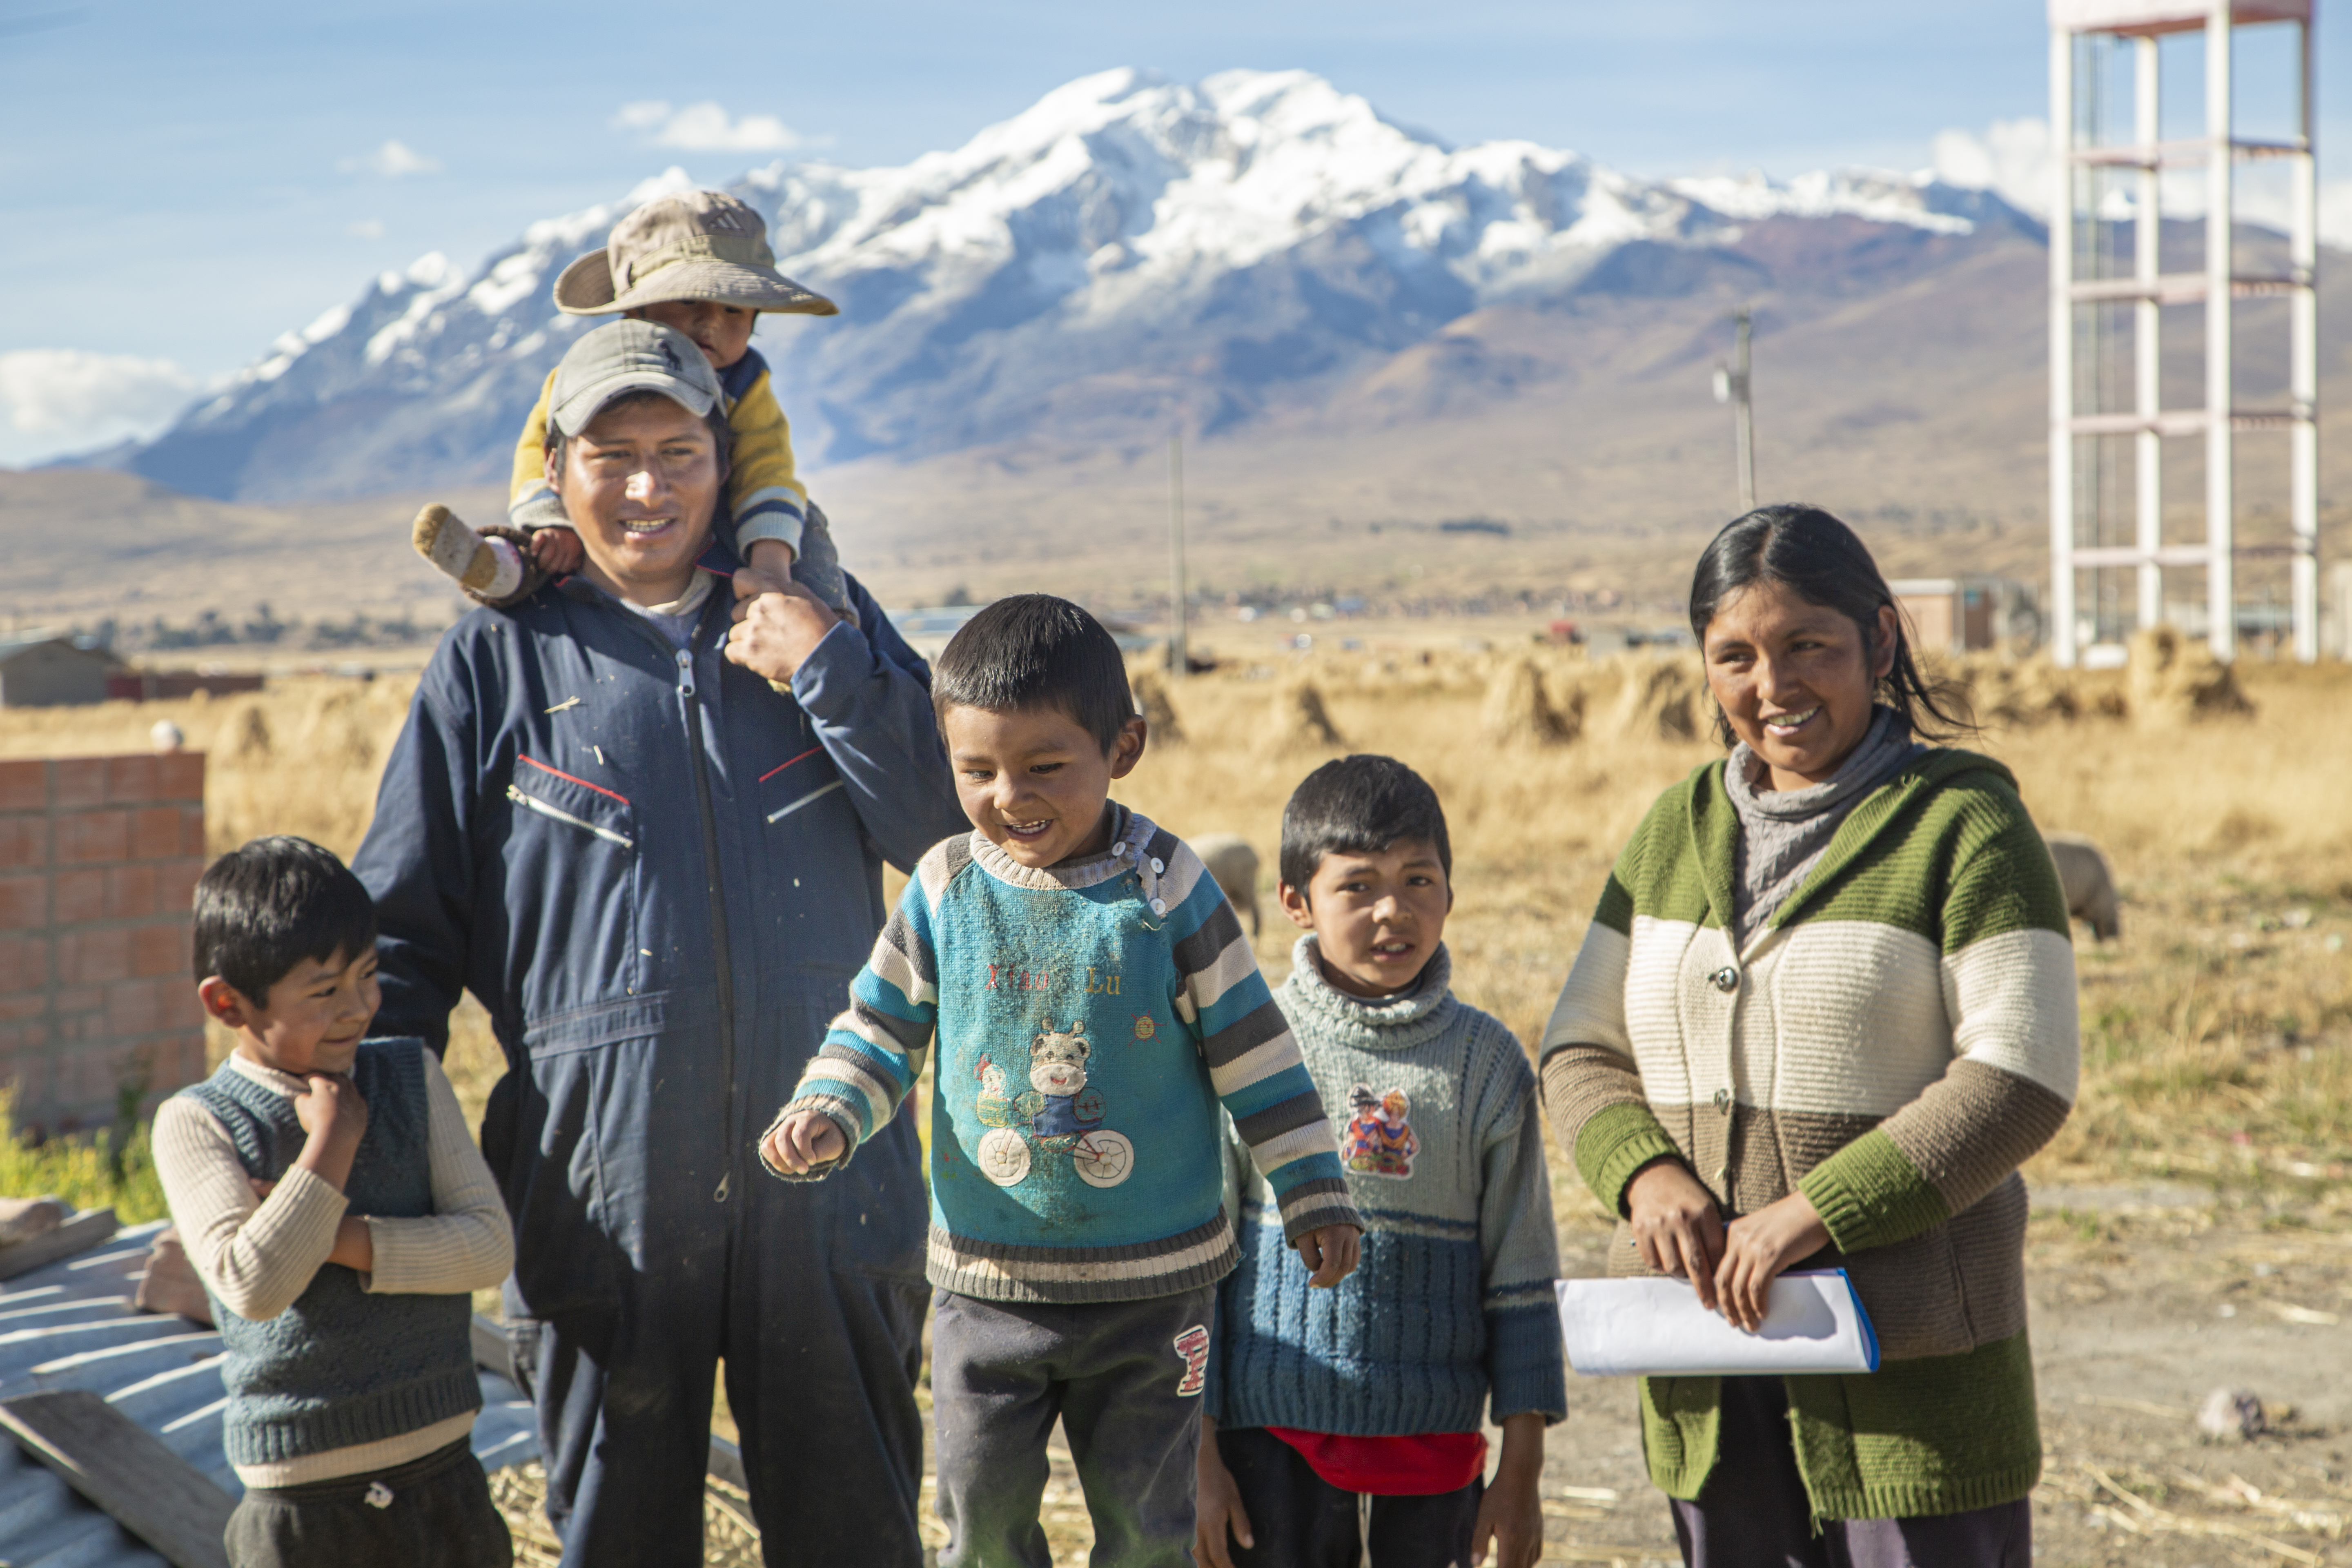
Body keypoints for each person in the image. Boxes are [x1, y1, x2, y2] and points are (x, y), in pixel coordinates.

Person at [352, 318, 968, 1566]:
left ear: (727, 463)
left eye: (679, 451)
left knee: (855, 1530)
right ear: (559, 470)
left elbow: (955, 832)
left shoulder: (819, 617)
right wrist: (355, 1161)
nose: (647, 487)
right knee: (620, 1536)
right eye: (613, 453)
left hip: (835, 1181)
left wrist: (831, 668)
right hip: (601, 1190)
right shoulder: (496, 658)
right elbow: (400, 938)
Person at [758, 594, 1366, 1568]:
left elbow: (1255, 1051)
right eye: (977, 769)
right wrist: (830, 1105)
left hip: (1153, 1292)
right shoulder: (945, 887)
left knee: (1146, 1532)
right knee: (979, 1522)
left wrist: (1311, 1187)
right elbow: (877, 1027)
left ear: (1121, 746)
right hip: (983, 1289)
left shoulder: (1166, 887)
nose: (1010, 795)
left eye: (1044, 766)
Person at [1539, 504, 2078, 1568]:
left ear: (1880, 641)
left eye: (1808, 648)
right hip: (1706, 1357)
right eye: (1734, 657)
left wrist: (1812, 1215)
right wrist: (1646, 1177)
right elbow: (1579, 1049)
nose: (1773, 687)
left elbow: (2022, 1073)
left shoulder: (1963, 824)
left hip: (1912, 1374)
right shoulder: (1672, 831)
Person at [1196, 755, 1563, 1568]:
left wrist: (1523, 1469)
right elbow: (1203, 1269)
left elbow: (1523, 1273)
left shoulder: (1487, 1065)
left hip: (1433, 1445)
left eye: (1418, 881)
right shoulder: (1250, 1051)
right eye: (1357, 887)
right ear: (1295, 903)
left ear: (1451, 895)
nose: (1392, 911)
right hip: (1271, 1436)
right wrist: (1200, 1455)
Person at [156, 836, 515, 1568]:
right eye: (324, 992)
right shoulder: (198, 1122)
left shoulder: (411, 1077)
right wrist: (332, 1142)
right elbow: (254, 1284)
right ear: (228, 1002)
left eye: (370, 974)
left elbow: (487, 1246)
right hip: (300, 1507)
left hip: (444, 1481)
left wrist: (333, 1234)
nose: (359, 1009)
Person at [411, 188, 846, 610]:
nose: (711, 321)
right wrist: (550, 519)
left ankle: (822, 625)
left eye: (734, 309)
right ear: (637, 311)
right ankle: (506, 570)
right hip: (606, 527)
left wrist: (770, 561)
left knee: (801, 525)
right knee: (550, 554)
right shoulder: (582, 377)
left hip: (720, 518)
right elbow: (538, 450)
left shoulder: (747, 383)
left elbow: (766, 465)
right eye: (689, 300)